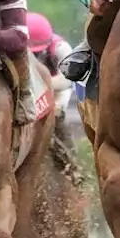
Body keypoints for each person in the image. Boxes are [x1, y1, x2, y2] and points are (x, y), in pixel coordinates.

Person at [26, 12, 85, 186]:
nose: (35, 57)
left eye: (38, 53)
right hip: (29, 89)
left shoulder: (61, 48)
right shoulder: (17, 45)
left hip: (57, 90)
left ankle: (72, 164)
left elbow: (69, 78)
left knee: (57, 115)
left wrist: (45, 83)